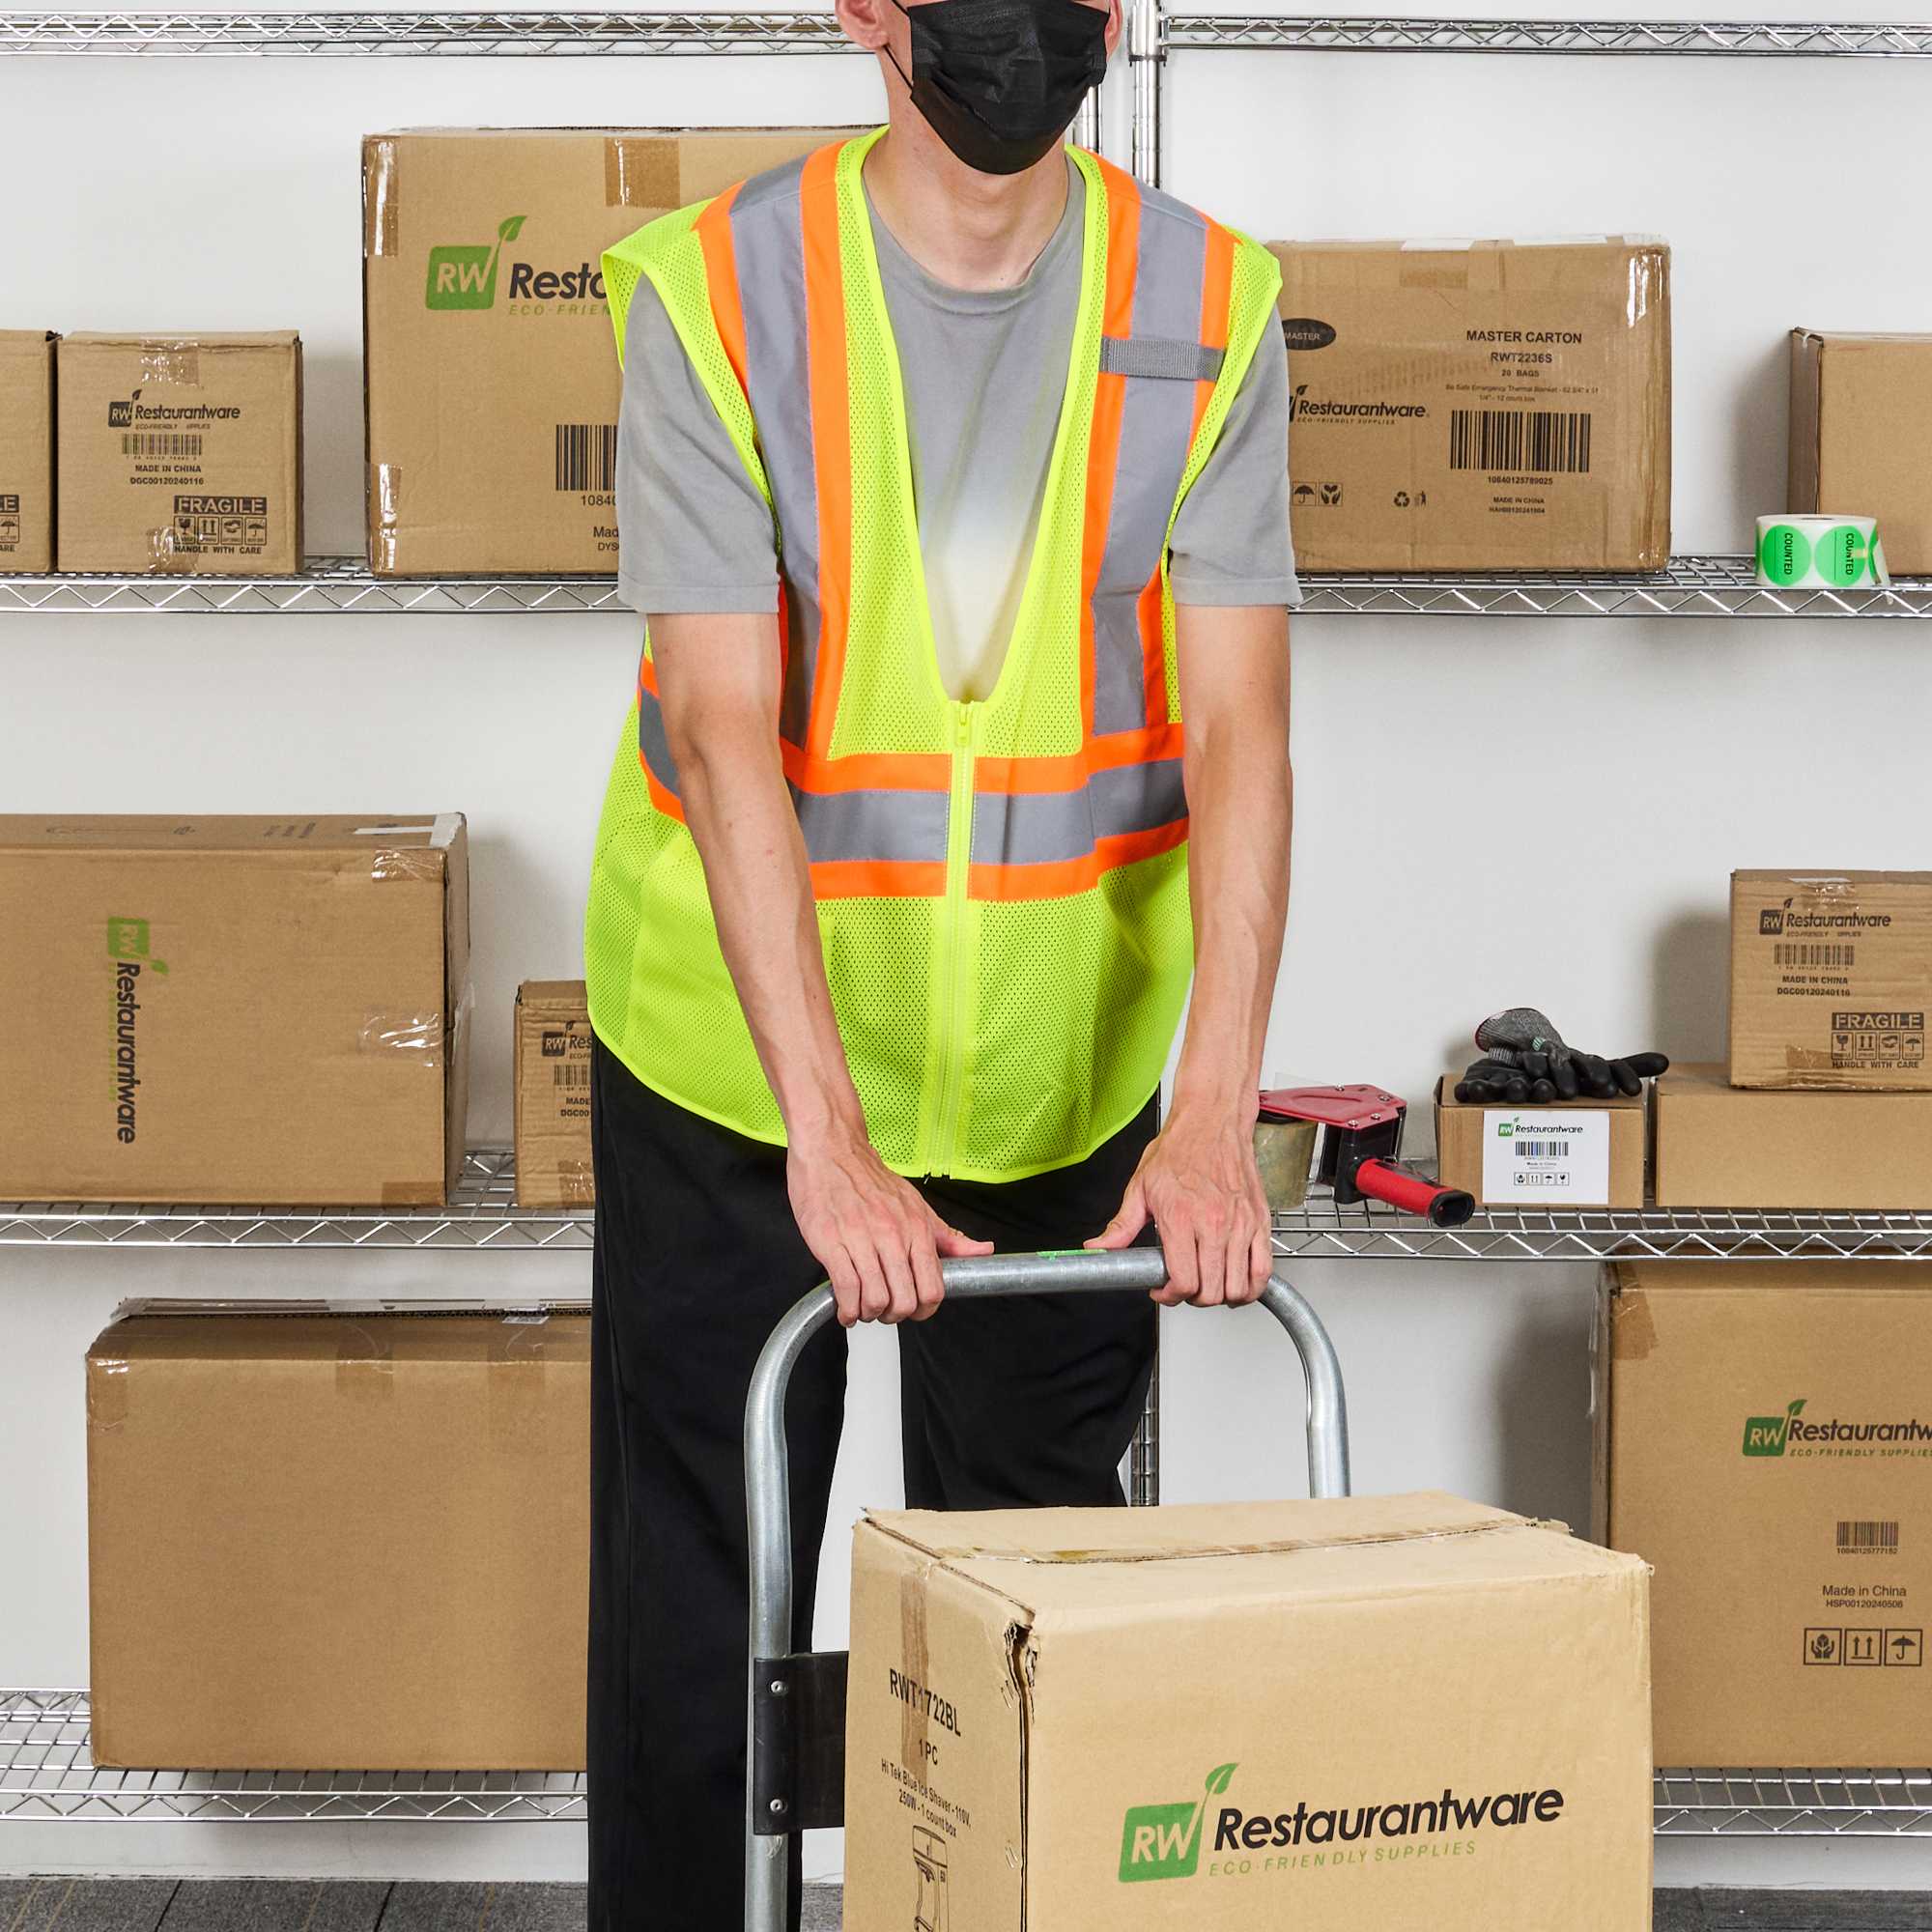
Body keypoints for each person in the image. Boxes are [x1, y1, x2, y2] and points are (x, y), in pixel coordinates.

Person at [582, 0, 1297, 1919]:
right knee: (704, 1624)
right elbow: (722, 730)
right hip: (741, 1079)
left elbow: (1241, 727)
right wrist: (826, 1141)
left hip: (1062, 1073)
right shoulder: (719, 293)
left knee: (1032, 1637)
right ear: (860, 11)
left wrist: (1213, 1110)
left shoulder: (1208, 300)